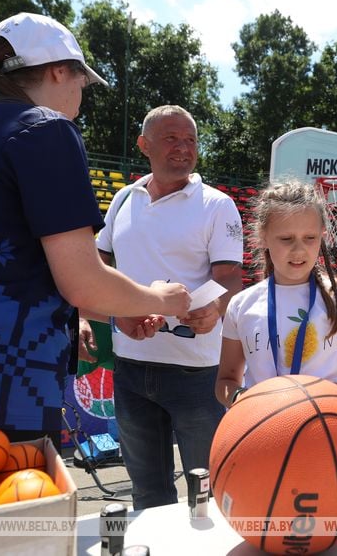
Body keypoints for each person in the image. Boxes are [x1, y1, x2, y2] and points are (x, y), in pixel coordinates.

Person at [0, 13, 190, 452]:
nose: (81, 95)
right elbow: (82, 281)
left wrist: (114, 311)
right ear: (60, 71)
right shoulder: (46, 128)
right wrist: (161, 299)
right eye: (80, 81)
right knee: (10, 522)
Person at [88, 105, 244, 510]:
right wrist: (106, 314)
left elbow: (228, 277)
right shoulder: (123, 200)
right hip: (131, 367)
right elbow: (98, 266)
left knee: (208, 491)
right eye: (172, 138)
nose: (184, 148)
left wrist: (213, 308)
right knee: (148, 494)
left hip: (197, 373)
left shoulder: (217, 204)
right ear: (145, 145)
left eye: (191, 139)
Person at [216, 181, 337, 408]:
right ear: (263, 237)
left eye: (310, 238)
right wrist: (245, 400)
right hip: (264, 431)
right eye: (286, 239)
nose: (299, 250)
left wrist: (304, 400)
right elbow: (225, 381)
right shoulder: (240, 305)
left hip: (328, 432)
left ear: (322, 235)